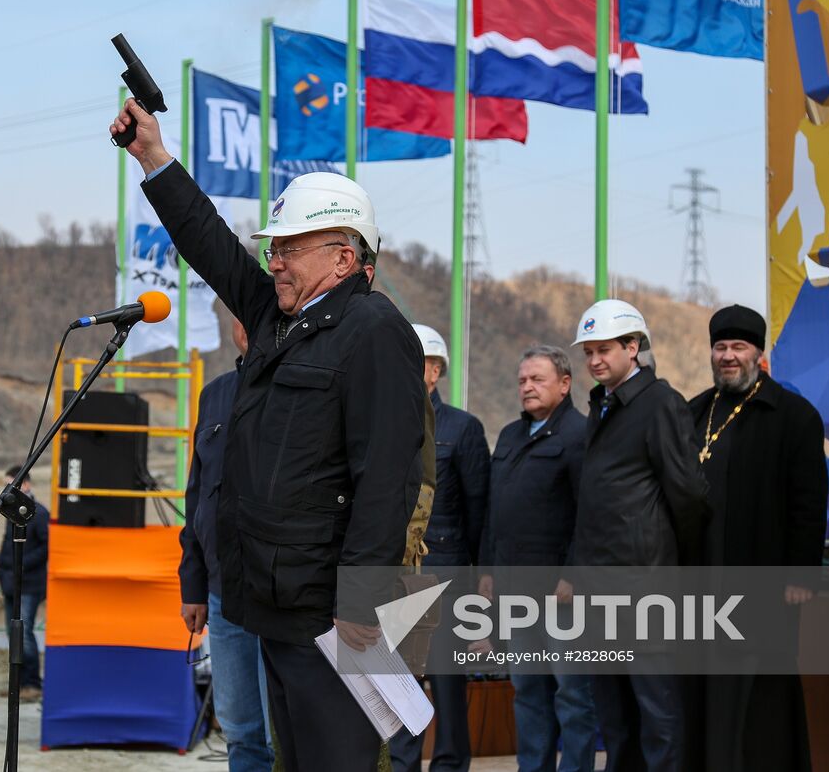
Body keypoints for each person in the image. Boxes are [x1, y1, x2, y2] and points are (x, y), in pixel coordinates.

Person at [113, 99, 427, 772]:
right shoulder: (278, 317)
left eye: (288, 248)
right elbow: (212, 247)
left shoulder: (374, 330)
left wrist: (362, 606)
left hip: (332, 617)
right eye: (273, 248)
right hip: (272, 606)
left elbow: (387, 480)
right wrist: (153, 158)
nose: (274, 261)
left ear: (343, 257)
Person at [686, 305, 828, 772]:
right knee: (705, 691)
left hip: (763, 580)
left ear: (758, 354)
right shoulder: (694, 411)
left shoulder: (793, 415)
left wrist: (801, 573)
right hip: (701, 582)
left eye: (738, 347)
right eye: (721, 347)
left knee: (759, 694)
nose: (728, 356)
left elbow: (809, 501)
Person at [568, 300, 706, 772]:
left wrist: (674, 567)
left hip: (645, 587)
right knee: (615, 715)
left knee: (657, 712)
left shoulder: (661, 402)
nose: (593, 361)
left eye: (604, 349)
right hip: (600, 590)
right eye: (587, 352)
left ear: (634, 347)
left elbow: (687, 494)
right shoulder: (602, 406)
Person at [479, 345, 596, 772]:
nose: (527, 387)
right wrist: (488, 571)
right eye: (522, 381)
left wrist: (573, 576)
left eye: (537, 380)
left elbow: (589, 513)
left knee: (571, 694)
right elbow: (496, 508)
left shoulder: (580, 436)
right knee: (527, 690)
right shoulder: (510, 435)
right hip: (515, 591)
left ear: (564, 384)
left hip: (561, 596)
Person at [390, 324, 488, 772]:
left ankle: (450, 764)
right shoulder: (386, 425)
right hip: (396, 575)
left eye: (418, 362)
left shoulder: (464, 429)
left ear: (435, 370)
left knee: (448, 686)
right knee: (401, 687)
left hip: (447, 573)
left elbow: (479, 512)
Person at [180, 317, 273, 772]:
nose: (249, 324)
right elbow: (197, 495)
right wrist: (193, 585)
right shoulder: (214, 394)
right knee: (240, 731)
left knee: (283, 733)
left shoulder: (302, 388)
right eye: (241, 315)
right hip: (222, 595)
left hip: (281, 595)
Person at [0, 465, 49, 700]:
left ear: (25, 485)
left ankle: (32, 684)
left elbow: (46, 548)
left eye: (12, 484)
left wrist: (22, 564)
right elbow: (8, 545)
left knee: (24, 633)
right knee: (12, 634)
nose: (7, 489)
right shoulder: (12, 513)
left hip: (29, 584)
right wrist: (2, 568)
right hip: (11, 583)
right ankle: (16, 685)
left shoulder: (40, 513)